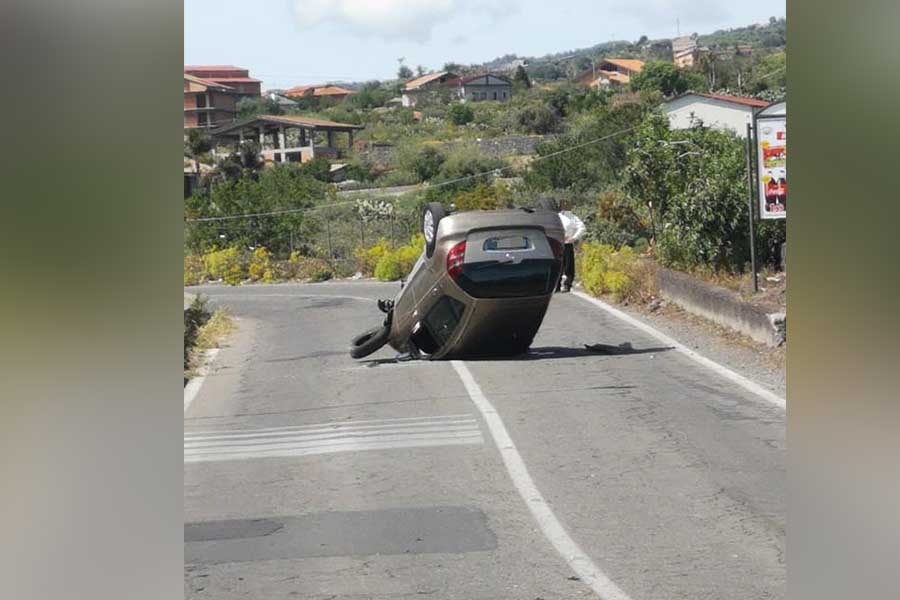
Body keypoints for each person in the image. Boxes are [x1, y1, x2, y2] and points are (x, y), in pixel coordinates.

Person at [556, 209, 586, 293]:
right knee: (557, 265)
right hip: (557, 243)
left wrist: (574, 238)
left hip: (567, 244)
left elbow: (582, 227)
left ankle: (567, 285)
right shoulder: (555, 216)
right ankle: (556, 286)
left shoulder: (571, 217)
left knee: (569, 266)